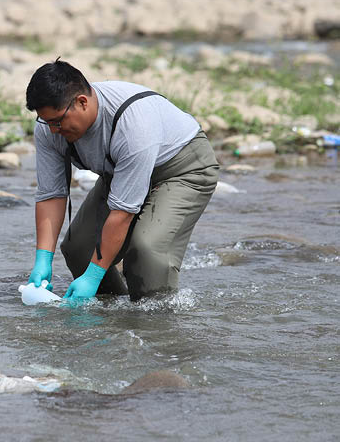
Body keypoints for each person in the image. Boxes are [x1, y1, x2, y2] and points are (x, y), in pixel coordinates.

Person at [24, 58, 219, 302]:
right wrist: (43, 260)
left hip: (182, 170)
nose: (53, 130)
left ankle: (156, 326)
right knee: (79, 249)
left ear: (82, 102)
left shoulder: (133, 125)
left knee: (146, 254)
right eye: (46, 121)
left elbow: (121, 213)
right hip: (121, 172)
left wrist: (93, 276)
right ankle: (111, 316)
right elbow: (51, 194)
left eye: (57, 122)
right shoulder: (49, 126)